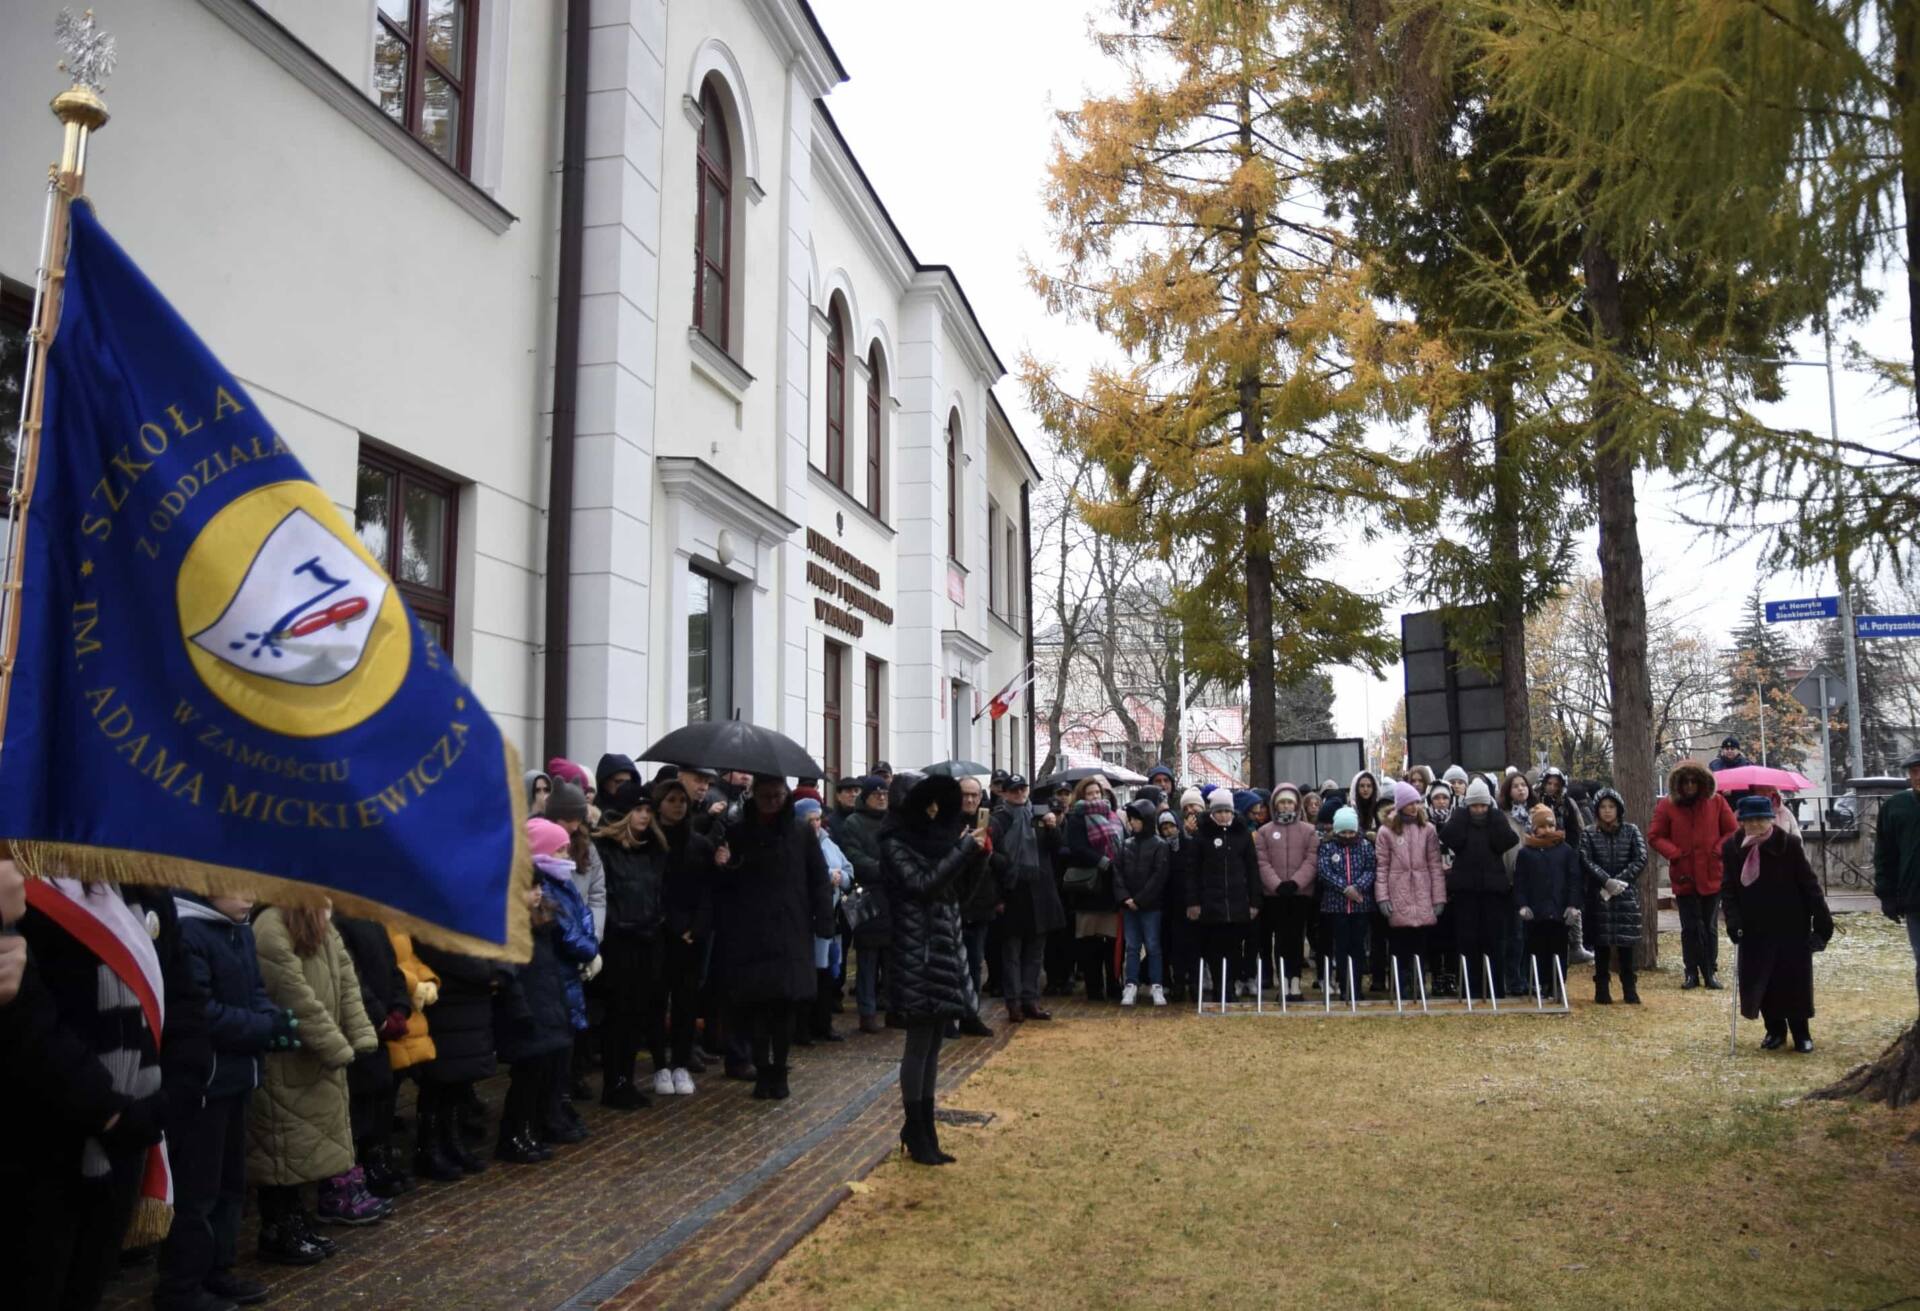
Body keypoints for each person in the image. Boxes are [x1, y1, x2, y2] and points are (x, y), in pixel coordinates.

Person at [3, 870, 172, 1309]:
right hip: (48, 1139)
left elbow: (178, 999)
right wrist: (107, 1109)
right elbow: (29, 1023)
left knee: (87, 1286)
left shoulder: (133, 890)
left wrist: (168, 1096)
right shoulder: (18, 892)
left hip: (132, 1130)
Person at [163, 894, 300, 1303]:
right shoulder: (188, 932)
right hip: (204, 1083)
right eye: (237, 885)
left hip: (237, 1077)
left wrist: (271, 1018)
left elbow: (254, 991)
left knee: (229, 1187)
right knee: (197, 1192)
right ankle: (182, 1285)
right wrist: (262, 1026)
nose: (249, 895)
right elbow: (201, 1013)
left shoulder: (236, 931)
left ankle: (217, 1270)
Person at [250, 904, 380, 1256]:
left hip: (318, 1059)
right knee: (281, 1150)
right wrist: (335, 1045)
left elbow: (347, 981)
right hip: (287, 1059)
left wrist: (361, 1033)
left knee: (303, 1148)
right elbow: (293, 994)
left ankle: (296, 1220)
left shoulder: (323, 926)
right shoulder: (271, 926)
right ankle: (279, 1228)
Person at [710, 775, 834, 1100]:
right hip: (749, 931)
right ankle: (762, 1068)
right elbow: (727, 885)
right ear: (755, 796)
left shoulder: (800, 832)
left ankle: (779, 1069)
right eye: (766, 796)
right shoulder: (738, 832)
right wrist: (724, 865)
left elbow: (818, 877)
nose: (772, 801)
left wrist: (824, 920)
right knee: (756, 1007)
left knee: (784, 1006)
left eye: (778, 796)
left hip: (790, 929)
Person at [879, 771, 977, 1165]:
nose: (935, 812)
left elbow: (957, 895)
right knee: (919, 1043)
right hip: (916, 953)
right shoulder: (894, 844)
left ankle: (924, 1128)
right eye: (927, 805)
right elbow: (922, 885)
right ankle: (916, 1128)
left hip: (942, 949)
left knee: (934, 1042)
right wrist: (963, 852)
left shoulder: (936, 842)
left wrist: (976, 858)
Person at [494, 819, 597, 1162]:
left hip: (547, 1005)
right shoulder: (512, 926)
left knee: (540, 1075)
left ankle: (528, 1131)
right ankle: (515, 1134)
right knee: (525, 1078)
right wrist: (522, 1009)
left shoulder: (542, 920)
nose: (538, 893)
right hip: (528, 1011)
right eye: (531, 888)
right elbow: (512, 976)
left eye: (538, 887)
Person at [1723, 794, 1834, 1051]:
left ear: (1771, 819)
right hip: (1754, 927)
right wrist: (1733, 920)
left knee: (1793, 980)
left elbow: (1810, 886)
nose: (1754, 825)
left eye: (1760, 819)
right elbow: (1728, 889)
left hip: (1790, 924)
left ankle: (1801, 1033)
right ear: (1741, 821)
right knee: (1762, 980)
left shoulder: (1789, 845)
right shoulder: (1732, 848)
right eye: (1748, 821)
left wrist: (1822, 925)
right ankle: (1774, 1031)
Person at [594, 784, 670, 1105]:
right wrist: (619, 926)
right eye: (638, 810)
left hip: (647, 942)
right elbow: (604, 895)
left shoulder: (653, 849)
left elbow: (657, 893)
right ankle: (615, 1082)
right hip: (619, 944)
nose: (644, 816)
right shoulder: (607, 849)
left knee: (637, 1015)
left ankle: (625, 1080)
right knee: (618, 1016)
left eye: (648, 810)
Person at [331, 912, 407, 1214]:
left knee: (381, 1093)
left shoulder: (372, 918)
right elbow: (352, 977)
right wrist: (379, 1017)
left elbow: (392, 968)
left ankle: (377, 1160)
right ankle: (359, 1171)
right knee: (359, 1101)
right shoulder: (339, 919)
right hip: (361, 1025)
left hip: (382, 1023)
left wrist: (400, 1007)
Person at [1649, 760, 1736, 990]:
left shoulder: (1716, 801)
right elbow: (1655, 835)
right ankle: (1691, 972)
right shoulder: (1667, 806)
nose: (1689, 785)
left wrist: (1717, 851)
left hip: (1710, 873)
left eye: (1694, 781)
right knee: (1689, 927)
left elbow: (1732, 830)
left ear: (1700, 782)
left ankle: (1710, 970)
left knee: (1709, 925)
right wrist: (1675, 854)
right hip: (1684, 874)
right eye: (1685, 781)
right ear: (1679, 783)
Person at [654, 776, 715, 1088]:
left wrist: (697, 926)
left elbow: (708, 890)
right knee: (656, 998)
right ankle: (659, 1063)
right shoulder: (650, 841)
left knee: (686, 1001)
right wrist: (670, 923)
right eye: (671, 800)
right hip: (659, 932)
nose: (678, 806)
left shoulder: (699, 844)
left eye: (682, 801)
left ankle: (680, 1061)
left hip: (692, 935)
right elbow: (654, 889)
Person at [990, 773, 1066, 1022]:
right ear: (1005, 793)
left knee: (1035, 952)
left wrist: (1053, 828)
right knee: (1012, 951)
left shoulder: (1040, 816)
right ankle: (1013, 1002)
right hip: (1012, 890)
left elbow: (1057, 849)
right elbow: (991, 856)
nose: (1020, 794)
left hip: (1039, 891)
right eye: (1014, 791)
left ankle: (1030, 999)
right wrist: (1007, 870)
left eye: (1023, 789)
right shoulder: (999, 819)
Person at [1438, 778, 1520, 997]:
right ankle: (1469, 989)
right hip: (1465, 891)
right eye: (1474, 806)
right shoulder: (1461, 821)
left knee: (1494, 941)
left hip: (1493, 890)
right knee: (1467, 941)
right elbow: (1448, 837)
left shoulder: (1496, 820)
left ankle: (1496, 989)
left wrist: (1495, 817)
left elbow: (1507, 840)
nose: (1479, 810)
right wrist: (1460, 816)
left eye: (1483, 806)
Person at [1185, 790, 1262, 999]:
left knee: (1235, 948)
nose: (1224, 816)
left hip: (1237, 903)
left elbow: (1252, 869)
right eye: (1219, 811)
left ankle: (1233, 985)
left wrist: (1254, 901)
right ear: (1212, 812)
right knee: (1215, 949)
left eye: (1227, 811)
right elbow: (1192, 871)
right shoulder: (1202, 836)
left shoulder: (1243, 834)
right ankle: (1220, 988)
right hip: (1211, 903)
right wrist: (1193, 902)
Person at [381, 927, 439, 1183]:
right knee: (384, 1095)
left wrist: (428, 980)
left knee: (423, 1081)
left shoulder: (392, 918)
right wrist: (415, 986)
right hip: (393, 1010)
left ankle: (421, 1150)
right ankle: (380, 1159)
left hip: (409, 1010)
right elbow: (379, 965)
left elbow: (409, 958)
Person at [1376, 781, 1445, 996]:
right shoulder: (1386, 831)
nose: (1415, 807)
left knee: (1420, 944)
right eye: (1410, 803)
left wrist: (1438, 898)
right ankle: (1399, 985)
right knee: (1399, 945)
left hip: (1422, 891)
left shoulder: (1428, 829)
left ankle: (1418, 984)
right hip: (1398, 892)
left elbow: (1435, 866)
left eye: (1417, 802)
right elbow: (1382, 866)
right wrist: (1382, 897)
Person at [1579, 787, 1647, 1005]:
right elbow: (1585, 859)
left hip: (1625, 894)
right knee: (1601, 945)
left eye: (1611, 807)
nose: (1607, 811)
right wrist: (1605, 881)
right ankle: (1601, 988)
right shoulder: (1589, 833)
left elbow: (1640, 857)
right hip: (1599, 894)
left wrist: (1621, 881)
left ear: (1619, 809)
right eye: (1603, 807)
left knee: (1627, 945)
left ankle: (1629, 988)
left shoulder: (1631, 830)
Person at [795, 796, 853, 1044]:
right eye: (811, 820)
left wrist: (842, 878)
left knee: (830, 970)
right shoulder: (796, 844)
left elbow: (849, 868)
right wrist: (827, 876)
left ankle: (824, 1022)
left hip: (832, 917)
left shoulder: (829, 843)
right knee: (811, 973)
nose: (816, 825)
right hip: (808, 918)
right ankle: (803, 1027)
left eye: (819, 819)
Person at [1062, 775, 1125, 1002]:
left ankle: (1114, 984)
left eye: (1097, 793)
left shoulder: (1113, 816)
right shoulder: (1077, 818)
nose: (1094, 797)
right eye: (1089, 794)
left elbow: (1122, 843)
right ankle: (1094, 987)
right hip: (1089, 887)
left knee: (1112, 943)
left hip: (1111, 888)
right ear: (1082, 796)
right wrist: (1101, 861)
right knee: (1090, 943)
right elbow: (1076, 847)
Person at [1254, 783, 1318, 1002]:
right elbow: (1262, 862)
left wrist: (1296, 882)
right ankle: (1283, 980)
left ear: (1296, 804)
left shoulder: (1308, 831)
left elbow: (1312, 859)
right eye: (1282, 802)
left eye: (1290, 801)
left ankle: (1295, 981)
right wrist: (1277, 884)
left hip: (1300, 894)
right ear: (1275, 805)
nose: (1286, 805)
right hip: (1275, 895)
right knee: (1280, 939)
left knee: (1296, 938)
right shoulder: (1264, 832)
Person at [838, 775, 892, 1033]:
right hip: (864, 894)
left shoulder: (893, 821)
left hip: (892, 895)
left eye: (885, 793)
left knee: (892, 958)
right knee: (867, 959)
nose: (881, 797)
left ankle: (893, 1008)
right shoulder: (854, 822)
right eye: (876, 793)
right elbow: (852, 855)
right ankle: (867, 1012)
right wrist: (883, 868)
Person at [1513, 805, 1581, 995]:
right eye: (1542, 826)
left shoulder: (1566, 850)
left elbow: (1574, 879)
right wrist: (1522, 905)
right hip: (1535, 913)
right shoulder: (1526, 853)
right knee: (1536, 949)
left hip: (1559, 911)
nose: (1547, 830)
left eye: (1551, 826)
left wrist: (1573, 905)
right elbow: (1520, 882)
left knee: (1559, 949)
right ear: (1534, 828)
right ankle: (1539, 983)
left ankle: (1558, 983)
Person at [1874, 748, 1920, 1013]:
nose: (1919, 776)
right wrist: (1887, 894)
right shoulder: (1896, 807)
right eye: (1914, 772)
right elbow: (1885, 854)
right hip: (1915, 897)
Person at [952, 777, 998, 1036]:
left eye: (974, 795)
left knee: (974, 962)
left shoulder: (986, 822)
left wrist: (985, 849)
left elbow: (994, 861)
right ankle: (949, 1017)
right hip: (953, 904)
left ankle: (971, 1015)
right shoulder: (947, 824)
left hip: (980, 903)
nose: (969, 800)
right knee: (951, 965)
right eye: (965, 795)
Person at [1114, 797, 1171, 1005]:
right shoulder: (1126, 844)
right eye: (1131, 819)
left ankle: (1157, 985)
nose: (1132, 823)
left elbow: (1159, 876)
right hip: (1130, 905)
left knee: (1153, 945)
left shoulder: (1159, 845)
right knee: (1132, 946)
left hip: (1151, 906)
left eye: (1136, 819)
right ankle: (1130, 984)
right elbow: (1117, 872)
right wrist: (1126, 898)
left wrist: (1138, 899)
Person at [1316, 807, 1376, 996]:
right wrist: (1344, 888)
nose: (1348, 836)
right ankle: (1344, 986)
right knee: (1340, 947)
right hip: (1336, 906)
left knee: (1357, 947)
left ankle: (1356, 987)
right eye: (1344, 832)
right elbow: (1324, 871)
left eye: (1351, 831)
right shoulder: (1328, 846)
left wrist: (1357, 887)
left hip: (1360, 906)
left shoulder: (1365, 846)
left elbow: (1371, 869)